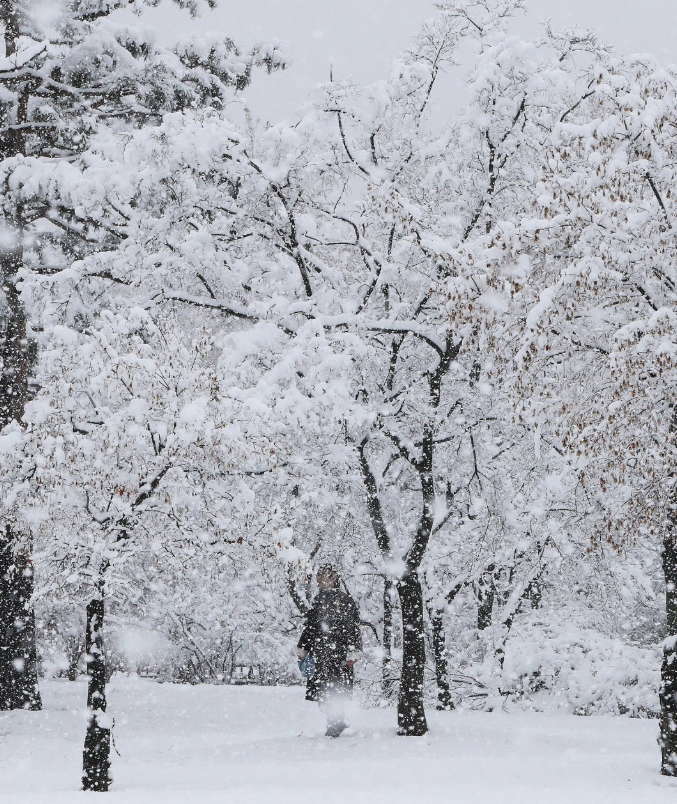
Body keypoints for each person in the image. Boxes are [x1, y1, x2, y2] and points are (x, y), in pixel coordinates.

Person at [297, 565, 362, 737]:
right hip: (325, 652)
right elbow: (311, 627)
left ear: (333, 578)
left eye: (323, 576)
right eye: (318, 576)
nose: (319, 580)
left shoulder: (342, 600)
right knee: (328, 690)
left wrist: (352, 651)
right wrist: (303, 647)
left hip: (335, 652)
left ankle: (336, 722)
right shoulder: (321, 600)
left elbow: (352, 627)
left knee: (333, 689)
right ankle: (336, 720)